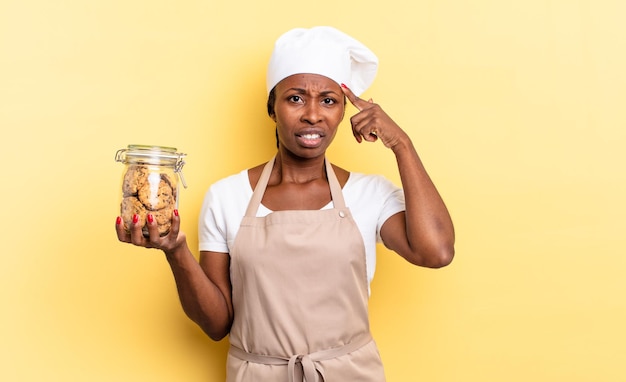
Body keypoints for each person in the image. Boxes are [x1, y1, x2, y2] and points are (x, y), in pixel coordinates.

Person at [116, 26, 455, 382]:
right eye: (295, 98)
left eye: (328, 100)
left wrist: (401, 143)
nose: (312, 114)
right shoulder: (227, 196)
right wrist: (176, 251)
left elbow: (437, 252)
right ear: (272, 108)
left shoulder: (369, 193)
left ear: (342, 112)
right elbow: (217, 325)